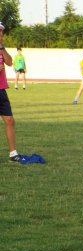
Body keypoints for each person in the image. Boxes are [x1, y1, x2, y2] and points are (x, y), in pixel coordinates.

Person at [0, 22, 21, 162]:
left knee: (9, 120)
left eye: (2, 32)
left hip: (1, 89)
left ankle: (13, 153)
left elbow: (9, 62)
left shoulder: (2, 48)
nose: (1, 34)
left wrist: (2, 48)